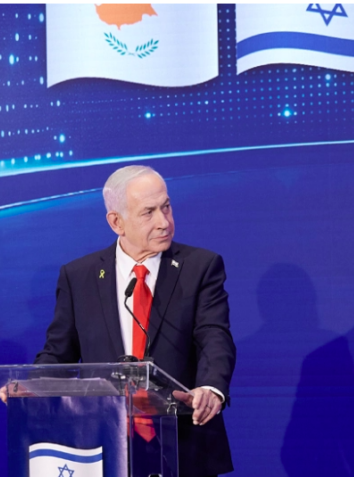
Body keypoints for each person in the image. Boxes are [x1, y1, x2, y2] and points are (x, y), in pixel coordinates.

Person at [31, 165, 235, 476]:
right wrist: (31, 387)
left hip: (184, 443)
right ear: (117, 222)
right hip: (104, 444)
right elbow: (58, 353)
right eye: (148, 212)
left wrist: (210, 388)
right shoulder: (79, 277)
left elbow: (214, 335)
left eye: (166, 207)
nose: (164, 221)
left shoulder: (201, 267)